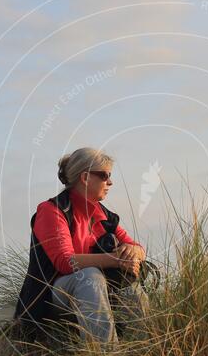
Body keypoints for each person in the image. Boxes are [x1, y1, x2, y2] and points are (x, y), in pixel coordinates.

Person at [13, 147, 149, 344]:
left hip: (97, 294)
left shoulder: (105, 216)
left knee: (131, 284)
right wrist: (116, 261)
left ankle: (143, 351)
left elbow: (136, 247)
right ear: (85, 178)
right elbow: (65, 262)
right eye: (105, 175)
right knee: (89, 276)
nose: (110, 182)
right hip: (52, 296)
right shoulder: (53, 210)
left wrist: (133, 252)